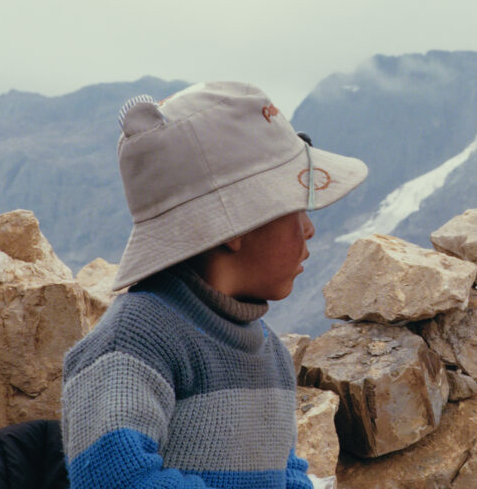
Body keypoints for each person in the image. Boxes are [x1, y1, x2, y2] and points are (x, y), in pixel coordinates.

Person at [60, 82, 367, 489]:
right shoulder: (133, 343)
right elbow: (114, 478)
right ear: (234, 226)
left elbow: (283, 472)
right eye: (294, 208)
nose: (309, 228)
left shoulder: (268, 350)